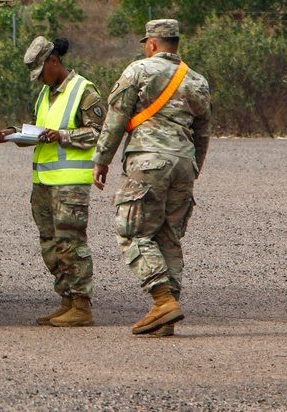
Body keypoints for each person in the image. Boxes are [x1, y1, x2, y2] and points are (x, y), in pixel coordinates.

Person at [92, 19, 212, 337]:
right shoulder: (198, 80)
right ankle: (166, 319)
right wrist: (194, 167)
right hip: (184, 164)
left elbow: (117, 118)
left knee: (132, 233)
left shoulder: (139, 70)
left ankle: (162, 300)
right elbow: (203, 132)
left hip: (148, 161)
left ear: (152, 44)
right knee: (167, 238)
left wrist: (102, 159)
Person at [0, 36, 106, 327]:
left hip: (70, 184)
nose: (39, 80)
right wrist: (14, 134)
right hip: (44, 182)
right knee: (50, 244)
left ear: (54, 62)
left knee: (71, 243)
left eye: (41, 72)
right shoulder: (45, 94)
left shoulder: (84, 90)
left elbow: (99, 133)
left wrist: (63, 135)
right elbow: (40, 132)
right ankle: (67, 300)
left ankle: (82, 306)